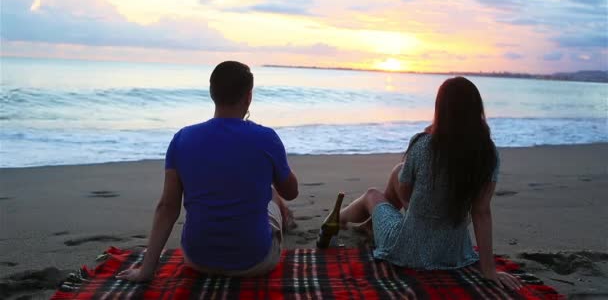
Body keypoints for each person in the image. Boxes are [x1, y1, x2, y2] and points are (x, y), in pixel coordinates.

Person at [117, 61, 298, 281]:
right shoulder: (266, 138)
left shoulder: (182, 138)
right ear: (248, 96)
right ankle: (283, 219)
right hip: (255, 261)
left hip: (197, 260)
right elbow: (291, 191)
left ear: (212, 93)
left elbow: (168, 207)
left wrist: (146, 270)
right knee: (273, 196)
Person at [339, 76, 522, 290]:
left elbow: (405, 193)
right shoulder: (488, 154)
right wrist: (489, 270)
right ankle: (370, 226)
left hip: (409, 250)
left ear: (440, 110)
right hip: (454, 253)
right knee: (399, 172)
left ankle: (337, 218)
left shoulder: (422, 145)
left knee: (372, 194)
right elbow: (481, 212)